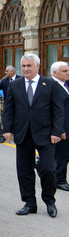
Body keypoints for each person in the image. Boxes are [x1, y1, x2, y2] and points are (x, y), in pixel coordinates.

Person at [2, 54, 64, 218]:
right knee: (24, 170)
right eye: (23, 66)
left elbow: (58, 111)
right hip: (23, 134)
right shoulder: (15, 85)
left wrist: (57, 131)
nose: (26, 69)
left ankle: (50, 201)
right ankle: (29, 203)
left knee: (49, 169)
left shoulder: (50, 84)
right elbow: (8, 110)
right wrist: (7, 129)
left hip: (46, 135)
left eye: (29, 66)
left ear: (38, 66)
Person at [50, 61, 69, 192]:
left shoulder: (65, 85)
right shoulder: (52, 86)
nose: (67, 73)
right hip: (61, 128)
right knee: (61, 155)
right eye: (64, 71)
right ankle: (59, 180)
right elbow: (51, 110)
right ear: (55, 73)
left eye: (68, 70)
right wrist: (59, 129)